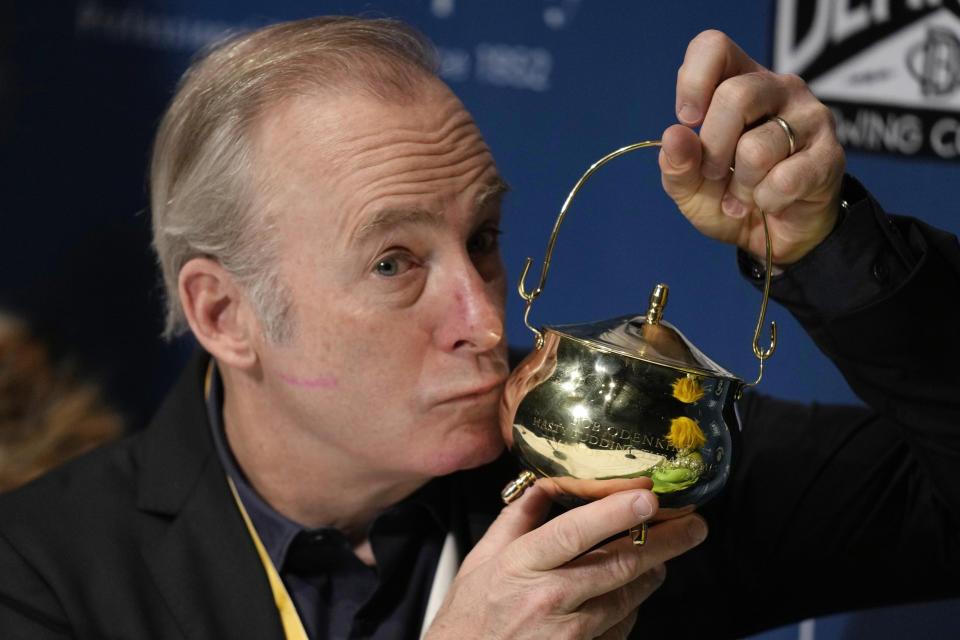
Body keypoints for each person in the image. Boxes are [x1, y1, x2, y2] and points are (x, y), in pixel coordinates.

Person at [0, 17, 956, 640]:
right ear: (225, 313)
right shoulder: (44, 576)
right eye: (393, 263)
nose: (483, 315)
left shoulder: (632, 472)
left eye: (485, 239)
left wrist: (826, 240)